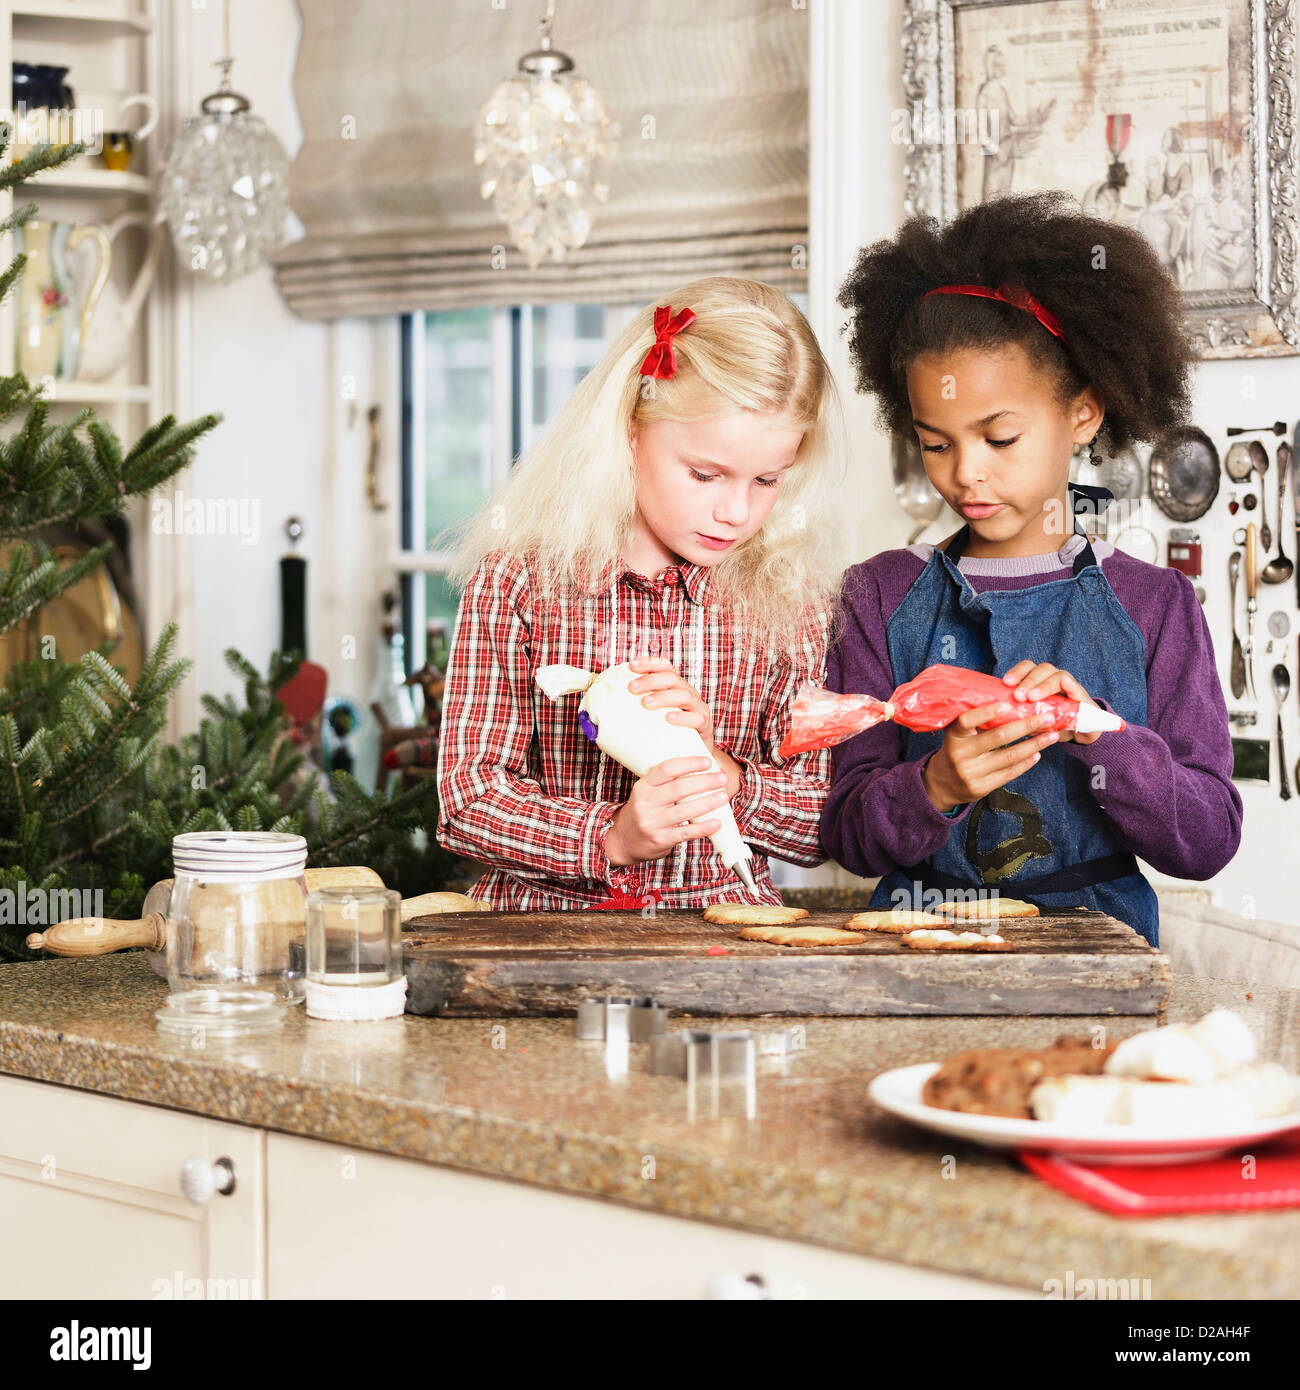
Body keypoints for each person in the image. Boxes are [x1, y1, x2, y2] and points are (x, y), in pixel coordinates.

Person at [820, 190, 1241, 945]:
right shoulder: (878, 595)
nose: (966, 475)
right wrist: (935, 785)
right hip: (912, 953)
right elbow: (843, 834)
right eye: (937, 442)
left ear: (1083, 412)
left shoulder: (1154, 606)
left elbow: (1207, 840)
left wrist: (1100, 731)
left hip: (1096, 959)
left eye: (1000, 438)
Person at [435, 277, 850, 909]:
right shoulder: (520, 581)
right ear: (630, 431)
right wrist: (610, 838)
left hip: (726, 933)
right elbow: (467, 801)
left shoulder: (793, 600)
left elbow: (826, 822)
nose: (736, 512)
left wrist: (721, 769)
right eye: (705, 474)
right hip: (548, 937)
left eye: (766, 479)